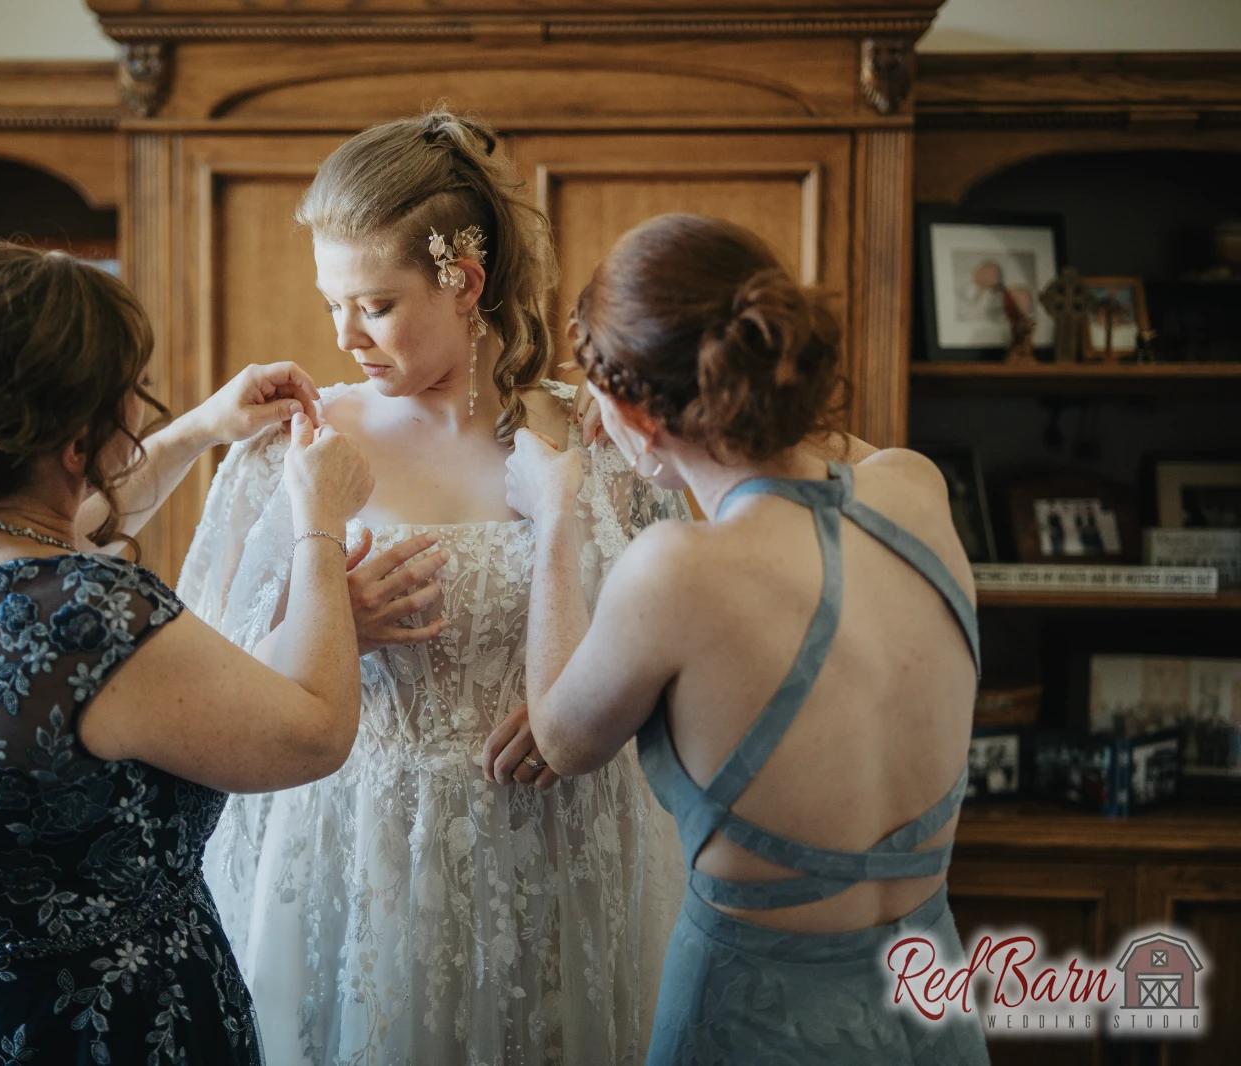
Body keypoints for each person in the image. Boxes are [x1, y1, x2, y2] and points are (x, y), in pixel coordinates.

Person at [0, 241, 375, 1066]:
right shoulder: (89, 619)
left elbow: (44, 524)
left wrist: (201, 429)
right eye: (129, 396)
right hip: (67, 1028)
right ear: (78, 442)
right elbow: (314, 729)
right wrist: (320, 517)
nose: (139, 410)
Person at [183, 109, 688, 1065]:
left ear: (467, 283)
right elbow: (212, 682)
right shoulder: (295, 447)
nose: (345, 337)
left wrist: (590, 710)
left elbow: (681, 635)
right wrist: (334, 618)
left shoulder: (599, 440)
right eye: (332, 303)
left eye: (374, 305)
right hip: (358, 851)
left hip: (559, 852)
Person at [507, 213, 991, 1064]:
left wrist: (556, 517)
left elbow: (558, 737)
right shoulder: (916, 486)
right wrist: (644, 409)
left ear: (631, 409)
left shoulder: (678, 573)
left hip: (758, 1020)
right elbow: (815, 459)